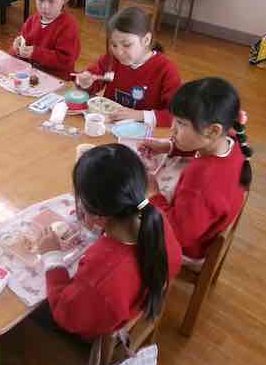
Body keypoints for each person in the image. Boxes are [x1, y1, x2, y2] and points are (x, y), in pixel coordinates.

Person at [36, 144, 181, 340]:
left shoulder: (102, 273)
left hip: (102, 322)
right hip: (136, 300)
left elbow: (66, 314)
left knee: (34, 313)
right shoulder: (156, 218)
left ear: (98, 215)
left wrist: (52, 257)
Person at [142, 77, 252, 259]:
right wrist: (168, 146)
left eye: (181, 123)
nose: (172, 128)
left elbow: (177, 234)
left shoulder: (202, 178)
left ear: (213, 130)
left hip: (187, 248)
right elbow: (200, 145)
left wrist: (153, 194)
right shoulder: (231, 140)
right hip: (200, 221)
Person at [73, 7, 182, 127]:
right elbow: (92, 83)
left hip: (143, 132)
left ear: (146, 40)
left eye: (126, 45)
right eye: (114, 45)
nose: (119, 52)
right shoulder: (111, 59)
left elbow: (176, 116)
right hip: (109, 126)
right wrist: (85, 82)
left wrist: (138, 115)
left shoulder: (166, 70)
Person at [9, 0, 80, 80]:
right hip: (33, 77)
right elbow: (19, 54)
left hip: (56, 80)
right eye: (41, 0)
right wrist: (16, 49)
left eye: (51, 1)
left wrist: (35, 53)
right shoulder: (31, 21)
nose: (45, 7)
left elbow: (65, 61)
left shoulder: (69, 25)